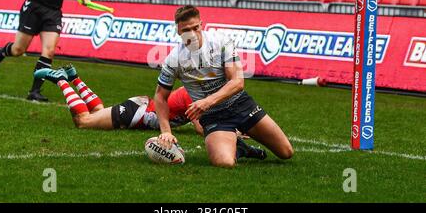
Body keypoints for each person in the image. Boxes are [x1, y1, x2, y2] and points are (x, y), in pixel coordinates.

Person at [155, 5, 294, 168]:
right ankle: (241, 148)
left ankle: (239, 142)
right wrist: (166, 131)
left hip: (241, 105)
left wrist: (207, 101)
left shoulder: (221, 42)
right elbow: (160, 96)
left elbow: (237, 82)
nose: (192, 34)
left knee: (286, 152)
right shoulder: (174, 59)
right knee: (225, 163)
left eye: (195, 28)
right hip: (213, 116)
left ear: (202, 24)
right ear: (178, 32)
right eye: (186, 30)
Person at [35, 64, 267, 160]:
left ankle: (75, 77)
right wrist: (232, 134)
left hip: (139, 109)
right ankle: (63, 81)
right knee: (84, 121)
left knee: (99, 111)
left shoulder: (197, 89)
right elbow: (200, 127)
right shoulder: (197, 95)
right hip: (139, 113)